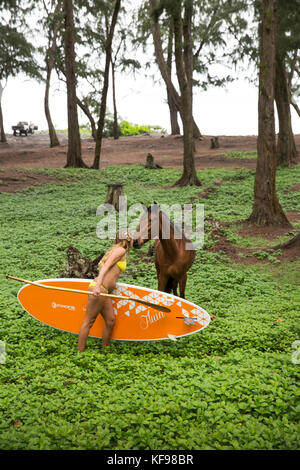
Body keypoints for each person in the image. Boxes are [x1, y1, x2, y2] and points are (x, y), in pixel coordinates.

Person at [77, 230, 133, 351]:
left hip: (104, 291)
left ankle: (105, 350)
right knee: (88, 322)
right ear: (128, 239)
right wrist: (98, 286)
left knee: (110, 320)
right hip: (100, 289)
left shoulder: (117, 250)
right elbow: (105, 267)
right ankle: (79, 353)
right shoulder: (121, 250)